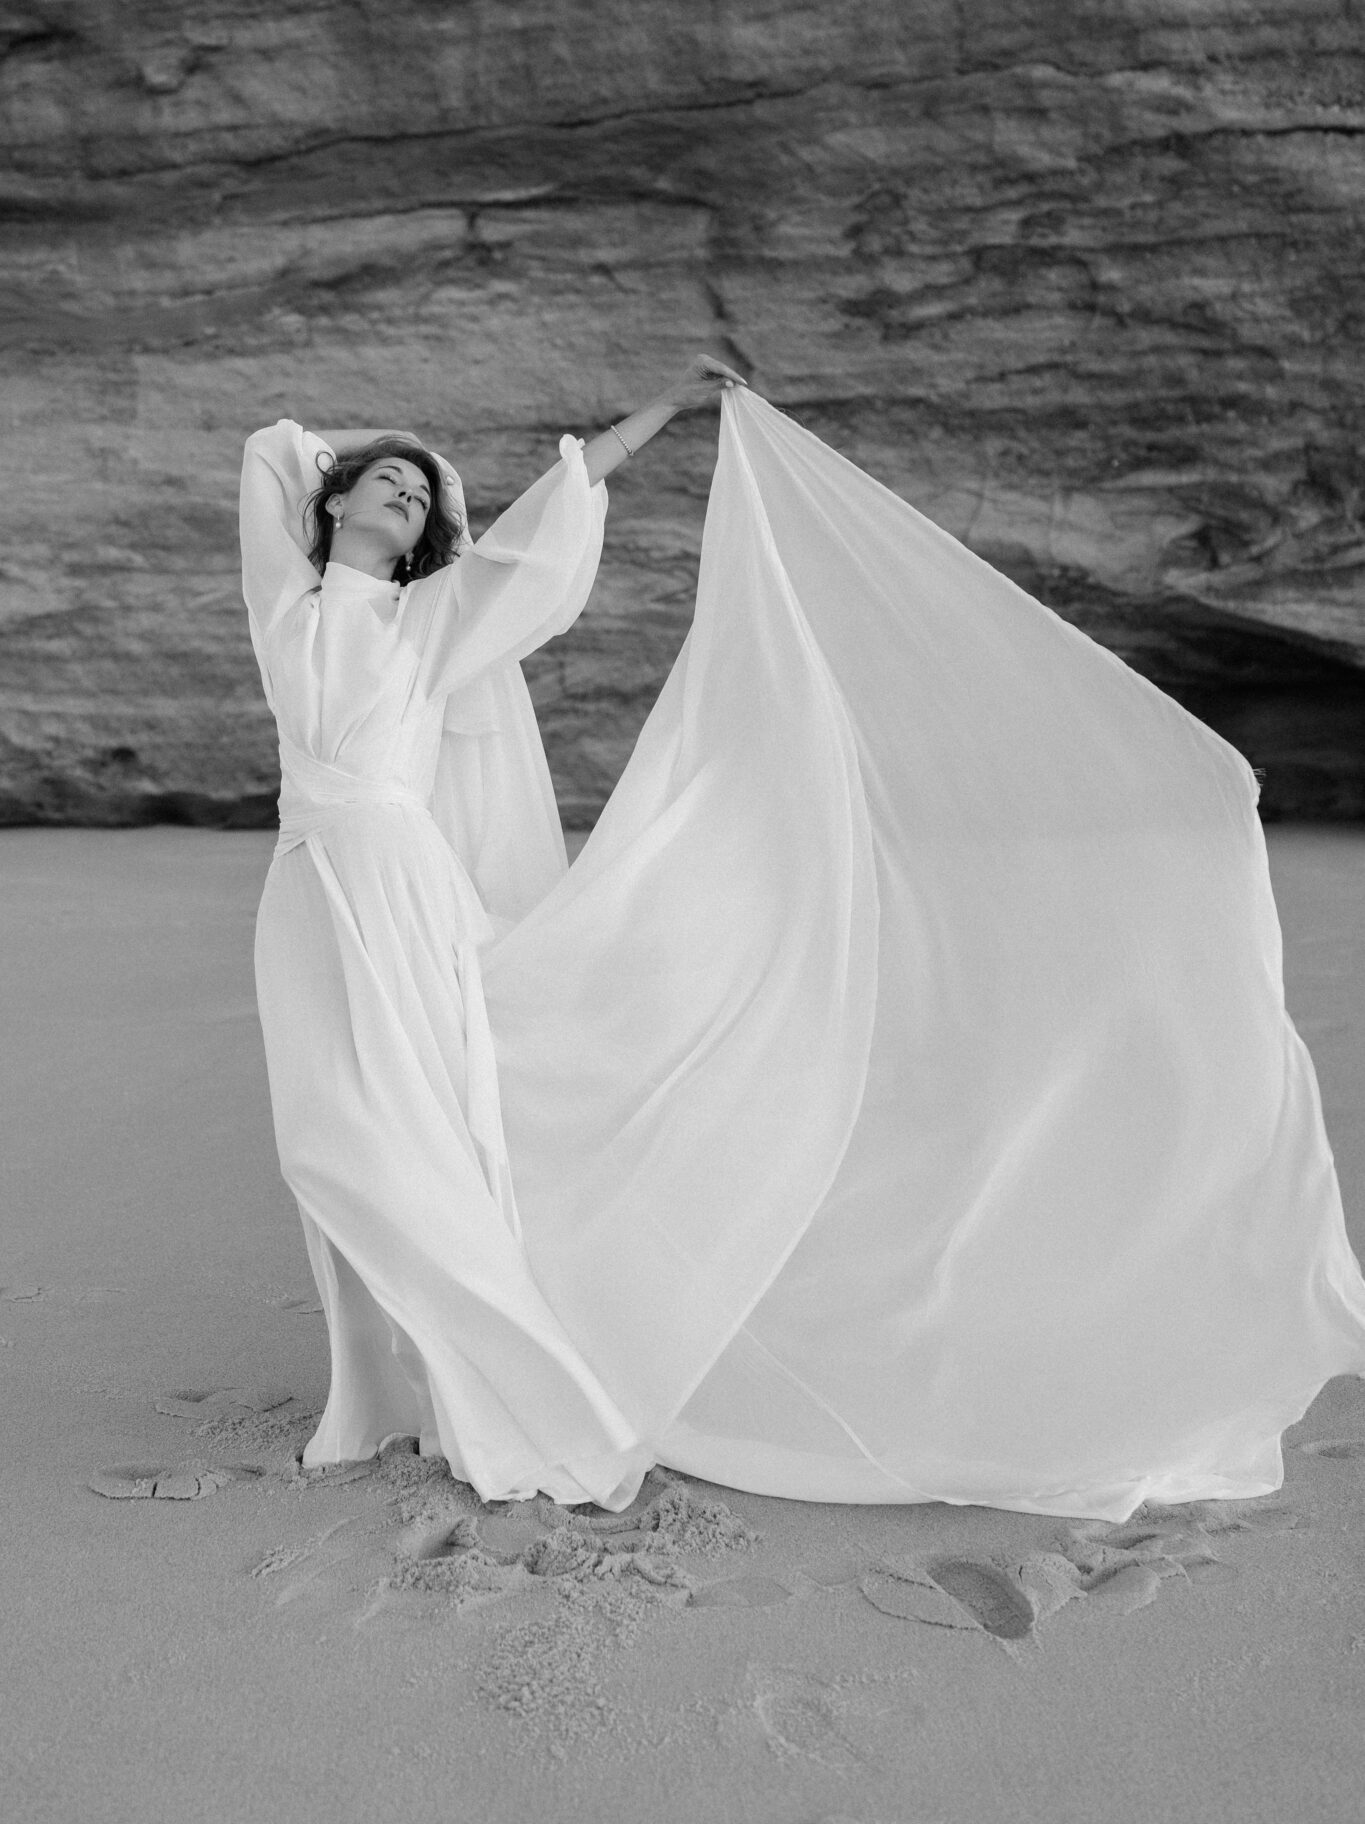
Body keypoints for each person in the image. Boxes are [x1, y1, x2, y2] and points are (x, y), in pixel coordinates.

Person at [241, 365, 1365, 1520]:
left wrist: (667, 408)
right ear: (331, 504)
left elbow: (539, 535)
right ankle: (368, 1389)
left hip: (397, 890)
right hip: (304, 886)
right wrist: (363, 472)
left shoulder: (433, 622)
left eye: (424, 500)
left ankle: (494, 1385)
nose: (409, 501)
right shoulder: (286, 605)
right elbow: (273, 452)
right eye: (385, 486)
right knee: (319, 1139)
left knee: (392, 1144)